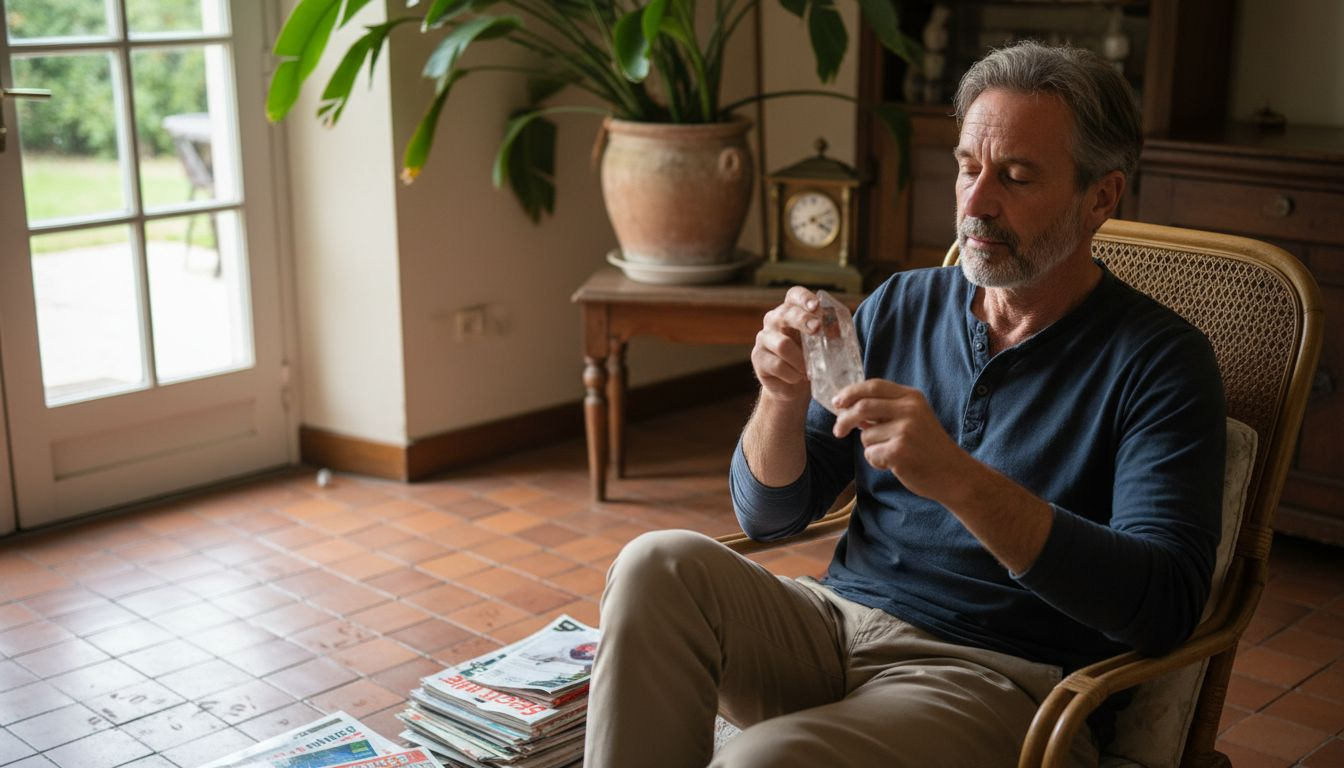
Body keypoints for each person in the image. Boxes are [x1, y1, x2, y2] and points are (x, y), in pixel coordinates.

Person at [583, 40, 1225, 768]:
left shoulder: (1161, 362)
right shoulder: (902, 304)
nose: (976, 203)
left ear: (1101, 197)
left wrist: (957, 478)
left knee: (762, 761)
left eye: (1016, 176)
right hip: (836, 626)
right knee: (654, 564)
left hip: (995, 679)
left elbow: (1165, 606)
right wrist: (781, 398)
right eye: (967, 167)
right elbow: (769, 515)